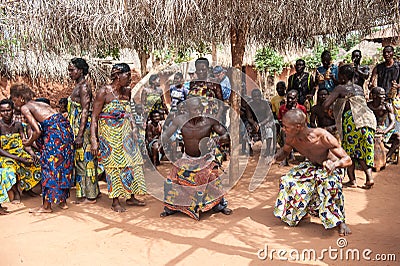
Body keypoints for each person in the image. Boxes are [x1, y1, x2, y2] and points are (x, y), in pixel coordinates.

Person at [273, 109, 352, 236]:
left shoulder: (323, 136)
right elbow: (285, 152)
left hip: (330, 168)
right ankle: (300, 212)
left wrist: (334, 164)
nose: (283, 129)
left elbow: (347, 160)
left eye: (286, 126)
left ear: (298, 127)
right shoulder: (291, 137)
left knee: (330, 184)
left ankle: (340, 221)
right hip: (312, 166)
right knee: (287, 180)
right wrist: (275, 158)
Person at [160, 96, 232, 220]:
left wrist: (217, 139)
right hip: (187, 158)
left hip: (205, 158)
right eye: (194, 109)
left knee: (211, 176)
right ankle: (171, 207)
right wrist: (160, 142)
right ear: (187, 110)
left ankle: (218, 205)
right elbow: (166, 134)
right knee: (171, 179)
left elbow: (226, 135)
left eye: (200, 108)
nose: (198, 111)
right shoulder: (180, 120)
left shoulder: (209, 121)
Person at [10, 83, 74, 213]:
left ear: (20, 98)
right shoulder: (42, 104)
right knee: (62, 166)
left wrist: (28, 142)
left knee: (49, 167)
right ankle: (63, 202)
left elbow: (37, 131)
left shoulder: (25, 107)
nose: (13, 102)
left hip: (55, 136)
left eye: (14, 99)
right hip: (65, 133)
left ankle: (46, 206)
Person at [90, 63, 146, 213]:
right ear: (117, 75)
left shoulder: (127, 92)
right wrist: (94, 140)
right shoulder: (103, 92)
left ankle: (131, 197)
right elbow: (94, 117)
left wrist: (134, 130)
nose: (130, 79)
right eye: (127, 75)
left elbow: (129, 113)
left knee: (132, 164)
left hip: (127, 135)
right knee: (114, 167)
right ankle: (115, 201)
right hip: (109, 137)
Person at [323, 64, 377, 189]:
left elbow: (326, 104)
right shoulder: (359, 88)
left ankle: (352, 180)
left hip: (352, 122)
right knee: (364, 151)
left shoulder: (340, 88)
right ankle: (369, 178)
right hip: (368, 121)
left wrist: (329, 112)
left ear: (341, 76)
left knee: (349, 152)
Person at [67, 57, 100, 204]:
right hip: (77, 129)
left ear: (80, 70)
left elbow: (85, 111)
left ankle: (89, 196)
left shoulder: (84, 87)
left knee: (85, 162)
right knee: (82, 161)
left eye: (72, 70)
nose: (70, 73)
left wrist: (80, 135)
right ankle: (90, 192)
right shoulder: (79, 85)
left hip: (83, 130)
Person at [0, 99, 41, 201]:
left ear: (13, 110)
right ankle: (16, 192)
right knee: (9, 169)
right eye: (3, 111)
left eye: (8, 110)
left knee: (35, 163)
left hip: (19, 152)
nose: (6, 113)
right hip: (5, 155)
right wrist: (18, 158)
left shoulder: (18, 125)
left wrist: (32, 153)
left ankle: (27, 188)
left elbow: (24, 143)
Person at [367, 87, 399, 163]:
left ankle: (386, 157)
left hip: (383, 129)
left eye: (384, 95)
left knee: (398, 137)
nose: (384, 96)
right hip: (370, 128)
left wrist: (384, 131)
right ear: (374, 96)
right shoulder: (367, 106)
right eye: (382, 95)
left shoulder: (387, 106)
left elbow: (393, 123)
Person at [246, 89, 274, 157]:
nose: (257, 98)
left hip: (265, 122)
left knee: (269, 130)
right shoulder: (249, 105)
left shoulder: (266, 104)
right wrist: (254, 124)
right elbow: (249, 117)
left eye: (258, 96)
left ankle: (267, 150)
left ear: (261, 96)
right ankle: (250, 148)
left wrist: (260, 124)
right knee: (246, 129)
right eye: (255, 96)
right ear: (252, 97)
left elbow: (269, 117)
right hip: (254, 122)